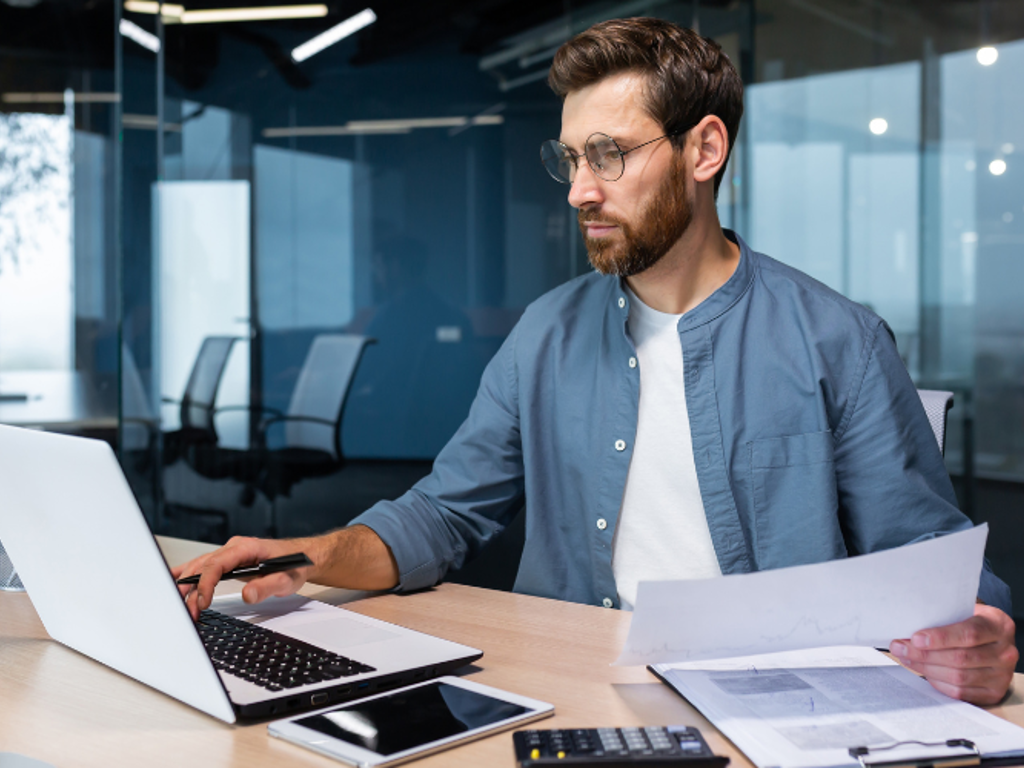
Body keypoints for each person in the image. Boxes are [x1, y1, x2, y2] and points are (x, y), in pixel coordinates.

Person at [175, 17, 1018, 705]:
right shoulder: (545, 333)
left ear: (704, 150)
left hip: (774, 704)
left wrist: (978, 631)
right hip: (569, 688)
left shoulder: (839, 339)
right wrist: (300, 554)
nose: (580, 189)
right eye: (573, 158)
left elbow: (934, 567)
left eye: (610, 155)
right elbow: (443, 516)